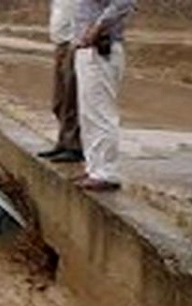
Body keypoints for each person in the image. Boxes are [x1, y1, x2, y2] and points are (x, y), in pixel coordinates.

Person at [73, 0, 136, 191]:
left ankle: (105, 173)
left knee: (100, 113)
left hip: (100, 49)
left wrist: (97, 27)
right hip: (88, 50)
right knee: (88, 114)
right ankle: (94, 168)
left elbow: (126, 2)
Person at [38, 0, 84, 163]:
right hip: (60, 44)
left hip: (74, 44)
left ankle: (75, 146)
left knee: (71, 99)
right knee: (59, 101)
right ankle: (63, 142)